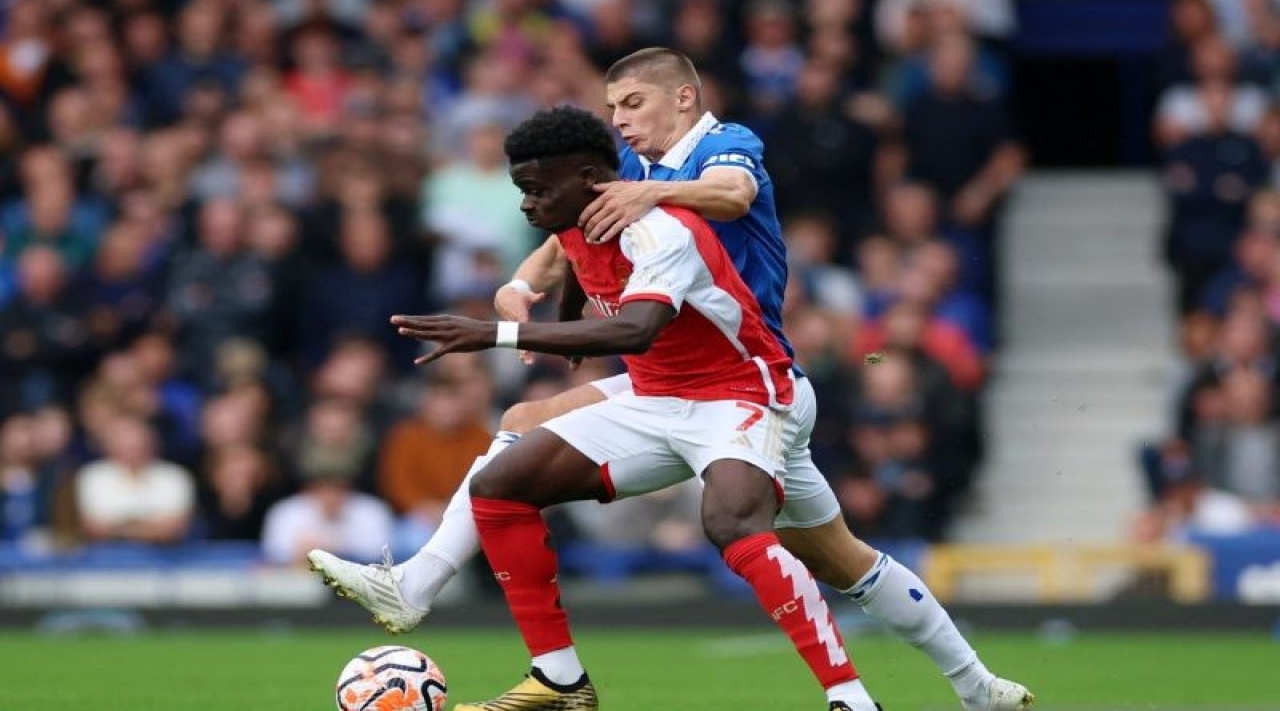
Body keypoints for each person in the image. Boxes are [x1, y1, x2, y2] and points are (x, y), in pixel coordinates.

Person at [309, 48, 1032, 711]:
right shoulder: (630, 175)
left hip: (750, 379)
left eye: (631, 104)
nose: (620, 121)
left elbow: (731, 195)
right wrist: (523, 281)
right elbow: (569, 231)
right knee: (527, 432)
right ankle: (445, 601)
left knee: (755, 531)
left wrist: (646, 199)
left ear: (683, 98)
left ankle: (870, 696)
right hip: (670, 381)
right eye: (614, 108)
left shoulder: (721, 149)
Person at [395, 105, 874, 711]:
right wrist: (550, 312)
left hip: (738, 390)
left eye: (536, 189)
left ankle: (853, 700)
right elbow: (576, 268)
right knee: (500, 484)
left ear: (590, 177)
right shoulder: (583, 224)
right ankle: (559, 681)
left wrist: (496, 334)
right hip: (660, 394)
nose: (524, 204)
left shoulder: (663, 227)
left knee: (736, 527)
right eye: (523, 191)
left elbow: (635, 329)